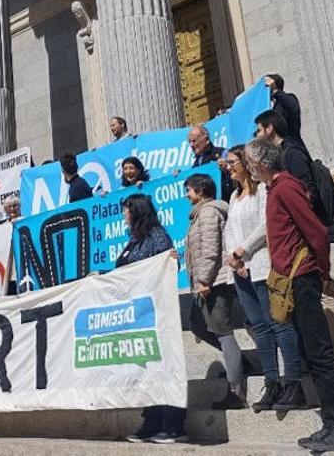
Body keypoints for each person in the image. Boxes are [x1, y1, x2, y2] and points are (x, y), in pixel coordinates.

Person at [244, 139, 334, 452]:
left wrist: (323, 275)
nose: (247, 167)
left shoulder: (285, 187)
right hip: (289, 279)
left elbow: (317, 232)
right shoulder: (274, 190)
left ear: (260, 163)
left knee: (321, 355)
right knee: (312, 355)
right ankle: (332, 423)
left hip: (302, 278)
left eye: (248, 161)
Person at [222, 145, 305, 413]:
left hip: (261, 264)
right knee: (259, 327)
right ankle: (272, 382)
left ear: (247, 163)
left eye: (233, 161)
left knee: (278, 323)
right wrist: (233, 258)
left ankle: (293, 381)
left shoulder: (262, 192)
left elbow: (265, 225)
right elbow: (229, 231)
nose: (229, 166)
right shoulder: (234, 196)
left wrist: (242, 251)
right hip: (240, 269)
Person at [116, 194, 186, 444]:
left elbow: (167, 267)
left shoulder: (157, 235)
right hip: (138, 313)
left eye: (127, 210)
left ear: (137, 211)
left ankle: (173, 424)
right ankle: (152, 421)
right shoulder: (133, 240)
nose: (124, 214)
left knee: (163, 367)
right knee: (146, 369)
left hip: (157, 312)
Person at [183, 172, 246, 410]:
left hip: (215, 282)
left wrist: (203, 280)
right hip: (208, 281)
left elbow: (210, 250)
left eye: (189, 190)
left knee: (222, 330)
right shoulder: (199, 215)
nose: (187, 195)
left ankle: (236, 390)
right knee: (198, 323)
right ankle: (237, 362)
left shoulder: (209, 213)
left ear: (200, 192)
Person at [255, 110, 317, 198]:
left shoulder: (291, 153)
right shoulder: (278, 153)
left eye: (258, 131)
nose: (256, 135)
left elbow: (308, 188)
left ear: (269, 128)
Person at [265, 74, 305, 151]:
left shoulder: (286, 99)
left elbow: (293, 107)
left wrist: (275, 91)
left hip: (293, 147)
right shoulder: (269, 106)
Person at [189, 126, 232, 196]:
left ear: (206, 140)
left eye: (194, 141)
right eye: (189, 142)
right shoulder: (196, 164)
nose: (191, 145)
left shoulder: (222, 153)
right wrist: (179, 176)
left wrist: (226, 169)